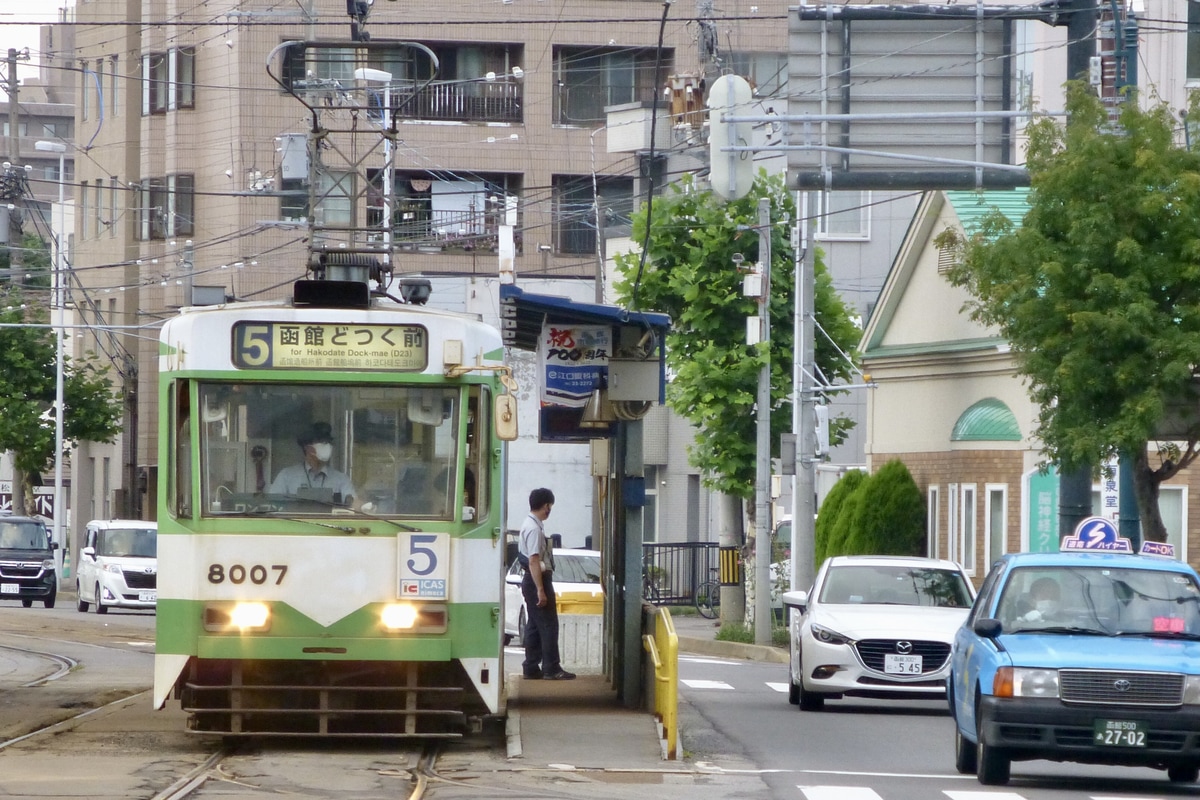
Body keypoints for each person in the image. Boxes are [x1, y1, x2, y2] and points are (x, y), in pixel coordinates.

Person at [518, 487, 575, 681]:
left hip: (530, 580)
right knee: (549, 625)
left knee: (534, 624)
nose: (550, 510)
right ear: (546, 506)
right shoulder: (534, 529)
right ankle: (551, 667)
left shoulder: (529, 524)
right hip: (537, 580)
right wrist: (541, 589)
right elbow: (534, 560)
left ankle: (531, 666)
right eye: (550, 506)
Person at [269, 421, 358, 507]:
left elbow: (354, 503)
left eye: (328, 442)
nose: (327, 446)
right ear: (307, 447)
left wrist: (365, 507)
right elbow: (272, 505)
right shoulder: (286, 476)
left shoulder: (341, 479)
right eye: (321, 442)